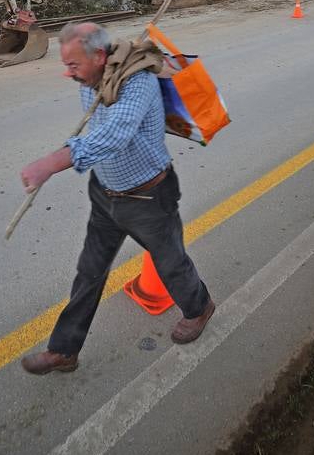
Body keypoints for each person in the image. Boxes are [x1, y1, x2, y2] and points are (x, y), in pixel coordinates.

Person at [19, 21, 215, 376]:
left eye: (73, 64)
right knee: (89, 272)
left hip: (148, 197)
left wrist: (51, 162)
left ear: (98, 55)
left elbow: (112, 137)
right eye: (66, 65)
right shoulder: (92, 79)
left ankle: (199, 307)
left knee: (171, 264)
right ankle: (64, 350)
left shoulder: (138, 82)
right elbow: (96, 132)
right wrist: (80, 76)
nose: (68, 73)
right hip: (105, 194)